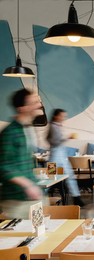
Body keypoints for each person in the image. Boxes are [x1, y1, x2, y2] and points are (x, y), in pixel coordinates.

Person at [0, 88, 45, 219]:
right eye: (34, 102)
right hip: (16, 200)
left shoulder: (27, 128)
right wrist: (28, 185)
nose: (39, 104)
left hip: (31, 197)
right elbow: (3, 166)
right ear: (22, 108)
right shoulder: (10, 132)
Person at [46, 108, 84, 207]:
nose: (64, 118)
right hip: (55, 155)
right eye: (62, 116)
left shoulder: (56, 126)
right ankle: (40, 195)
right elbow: (54, 142)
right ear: (56, 116)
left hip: (61, 155)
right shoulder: (53, 127)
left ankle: (76, 198)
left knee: (69, 176)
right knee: (50, 178)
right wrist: (67, 137)